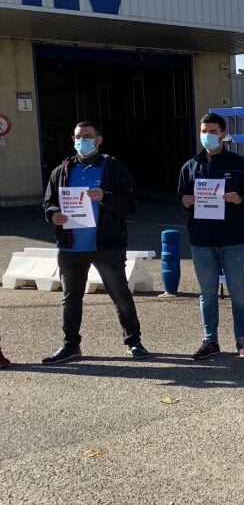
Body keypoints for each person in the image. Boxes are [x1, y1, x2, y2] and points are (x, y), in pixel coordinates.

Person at [41, 121, 149, 364]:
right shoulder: (62, 170)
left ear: (99, 139)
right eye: (79, 137)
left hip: (107, 245)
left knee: (119, 293)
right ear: (73, 139)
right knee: (71, 297)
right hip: (70, 246)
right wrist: (53, 214)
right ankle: (70, 345)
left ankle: (134, 341)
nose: (83, 141)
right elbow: (48, 202)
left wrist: (105, 198)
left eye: (88, 136)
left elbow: (130, 204)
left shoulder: (112, 168)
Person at [177, 113, 244, 360]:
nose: (207, 136)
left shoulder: (238, 163)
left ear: (223, 134)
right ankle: (210, 340)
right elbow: (180, 198)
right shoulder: (190, 166)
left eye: (213, 131)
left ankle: (242, 340)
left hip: (234, 240)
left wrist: (241, 199)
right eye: (204, 131)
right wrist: (185, 202)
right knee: (207, 294)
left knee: (238, 292)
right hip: (202, 241)